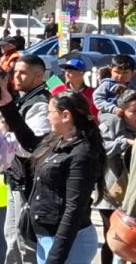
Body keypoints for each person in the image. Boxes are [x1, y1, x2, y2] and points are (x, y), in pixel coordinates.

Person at [28, 91, 104, 264]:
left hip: (68, 242)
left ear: (66, 116)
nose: (47, 117)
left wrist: (56, 257)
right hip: (47, 236)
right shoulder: (57, 141)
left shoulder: (82, 153)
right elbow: (28, 142)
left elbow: (74, 208)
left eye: (50, 112)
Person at [0, 53, 52, 264]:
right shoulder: (25, 99)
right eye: (15, 73)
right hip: (16, 179)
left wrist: (5, 132)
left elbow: (32, 148)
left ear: (38, 77)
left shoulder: (40, 103)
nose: (16, 77)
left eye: (23, 73)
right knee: (12, 237)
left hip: (29, 183)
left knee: (24, 241)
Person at [98, 88, 136, 264]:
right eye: (133, 112)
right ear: (122, 110)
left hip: (132, 195)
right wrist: (123, 142)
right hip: (113, 192)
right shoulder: (111, 122)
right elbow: (100, 149)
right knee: (114, 238)